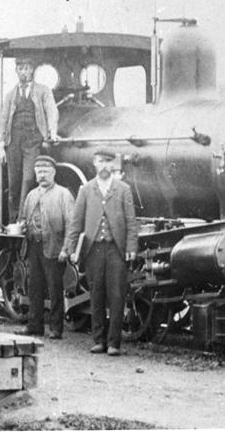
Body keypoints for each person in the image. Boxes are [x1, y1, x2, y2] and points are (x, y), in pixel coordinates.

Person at [62, 148, 138, 356]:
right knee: (96, 294)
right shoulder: (86, 190)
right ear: (94, 164)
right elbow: (76, 222)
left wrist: (131, 247)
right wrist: (70, 248)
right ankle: (98, 340)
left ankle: (114, 343)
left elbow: (131, 222)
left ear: (112, 165)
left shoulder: (123, 189)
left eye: (107, 162)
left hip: (116, 249)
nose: (103, 165)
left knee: (116, 295)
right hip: (93, 249)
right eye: (99, 161)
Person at [16, 155, 74, 339]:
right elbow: (24, 219)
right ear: (35, 173)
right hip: (34, 246)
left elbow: (72, 224)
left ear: (54, 172)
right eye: (39, 171)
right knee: (34, 287)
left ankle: (56, 328)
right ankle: (35, 325)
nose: (42, 175)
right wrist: (22, 227)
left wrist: (66, 249)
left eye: (46, 171)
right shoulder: (31, 195)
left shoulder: (63, 194)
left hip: (54, 247)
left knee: (55, 288)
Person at [0, 57, 59, 221]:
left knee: (28, 178)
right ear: (16, 71)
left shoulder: (43, 91)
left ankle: (23, 219)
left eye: (26, 68)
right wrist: (1, 147)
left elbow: (51, 110)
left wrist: (52, 131)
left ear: (32, 70)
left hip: (33, 141)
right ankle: (13, 221)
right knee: (14, 183)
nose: (23, 72)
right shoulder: (10, 95)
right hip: (13, 142)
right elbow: (3, 120)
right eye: (20, 69)